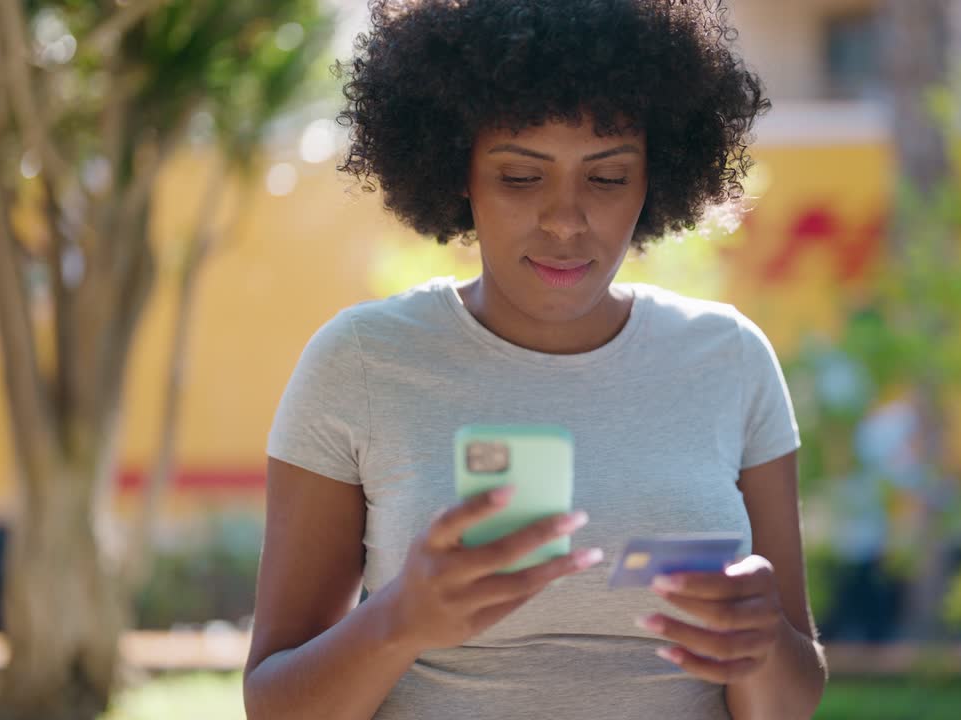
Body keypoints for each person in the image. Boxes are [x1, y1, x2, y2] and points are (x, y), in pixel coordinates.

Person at [242, 1, 827, 718]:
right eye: (521, 177)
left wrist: (761, 642)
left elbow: (793, 700)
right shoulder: (362, 363)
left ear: (656, 178)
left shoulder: (729, 358)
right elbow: (275, 705)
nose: (565, 218)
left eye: (607, 179)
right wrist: (401, 619)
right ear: (458, 170)